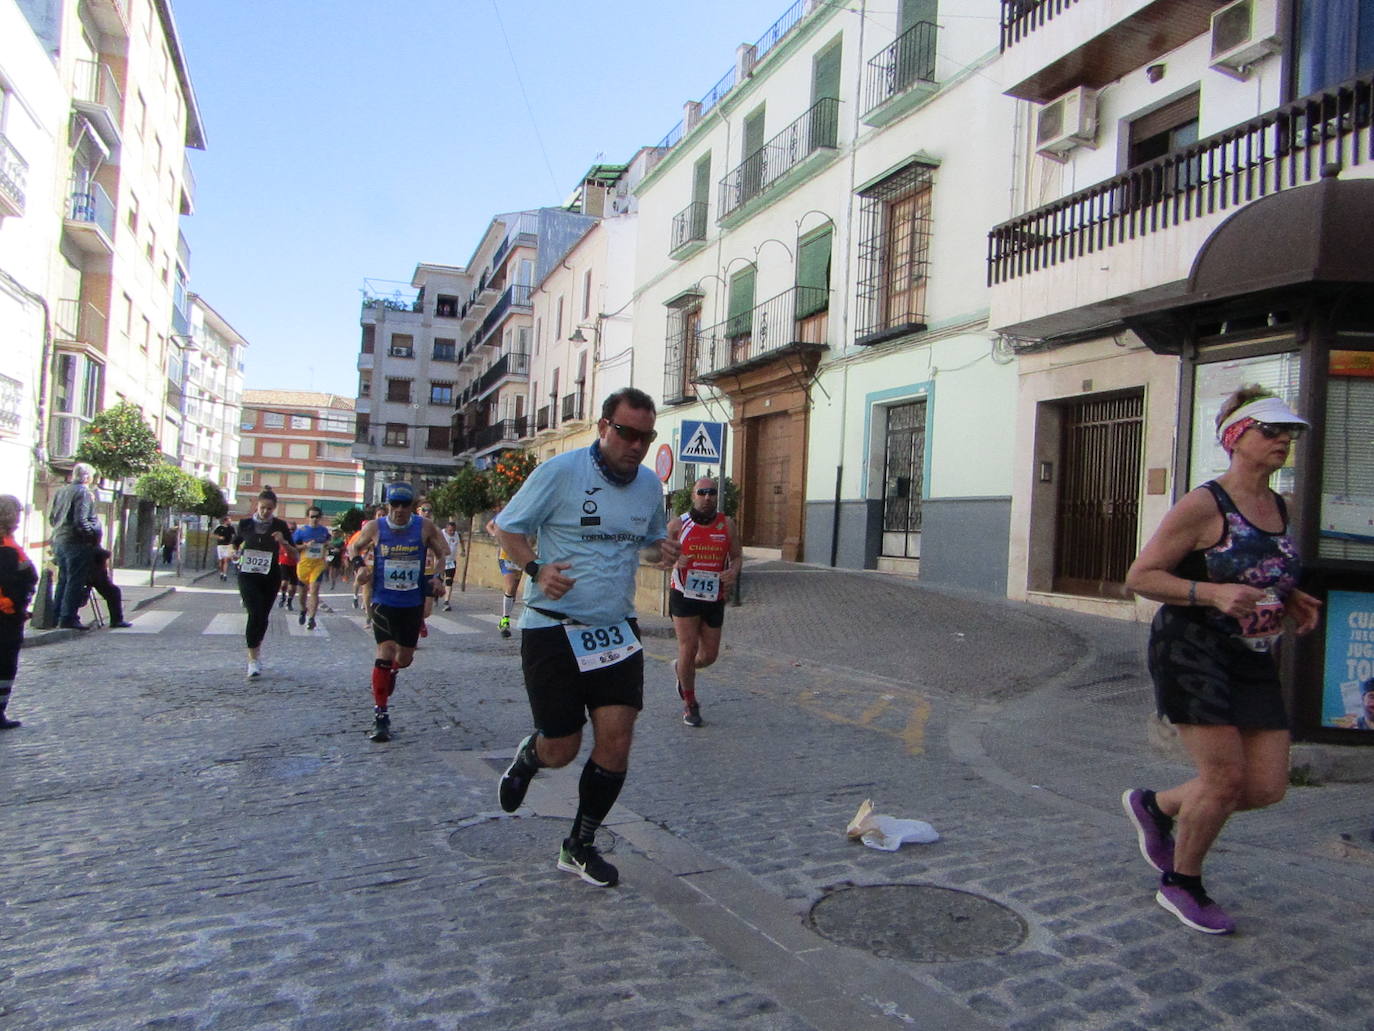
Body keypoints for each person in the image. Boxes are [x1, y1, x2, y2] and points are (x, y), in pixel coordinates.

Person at [1121, 386, 1323, 935]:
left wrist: (1291, 596)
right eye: (1271, 430)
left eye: (1289, 433)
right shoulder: (1205, 504)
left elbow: (1261, 571)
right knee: (1224, 776)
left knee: (1266, 787)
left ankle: (1158, 806)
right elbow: (1141, 577)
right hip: (1191, 651)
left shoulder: (1280, 505)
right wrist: (1212, 595)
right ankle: (1182, 884)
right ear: (1236, 438)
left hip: (1253, 655)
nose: (1284, 440)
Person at [493, 387, 679, 888]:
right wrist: (535, 568)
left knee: (616, 743)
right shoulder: (560, 472)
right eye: (626, 433)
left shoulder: (648, 489)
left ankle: (579, 845)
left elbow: (646, 545)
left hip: (615, 631)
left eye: (646, 436)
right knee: (563, 747)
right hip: (553, 626)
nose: (636, 445)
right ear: (603, 427)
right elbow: (505, 528)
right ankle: (531, 756)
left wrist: (661, 551)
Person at [347, 482, 449, 742]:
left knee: (404, 658)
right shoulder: (375, 527)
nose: (399, 510)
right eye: (395, 504)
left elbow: (442, 554)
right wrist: (359, 567)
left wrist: (437, 578)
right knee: (385, 650)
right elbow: (353, 547)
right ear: (388, 505)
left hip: (411, 601)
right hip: (383, 599)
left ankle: (392, 670)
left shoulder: (424, 527)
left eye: (405, 505)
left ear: (413, 507)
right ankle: (381, 716)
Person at [668, 476, 742, 727]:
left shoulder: (727, 524)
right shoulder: (678, 525)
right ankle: (690, 703)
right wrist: (675, 562)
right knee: (688, 647)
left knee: (709, 656)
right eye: (702, 493)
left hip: (714, 596)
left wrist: (733, 572)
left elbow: (737, 557)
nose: (707, 497)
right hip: (684, 594)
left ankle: (681, 669)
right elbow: (658, 560)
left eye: (711, 493)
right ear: (693, 496)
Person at [232, 489, 297, 678]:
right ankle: (252, 659)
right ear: (256, 506)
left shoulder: (280, 525)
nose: (265, 512)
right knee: (255, 613)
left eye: (269, 509)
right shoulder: (245, 524)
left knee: (263, 616)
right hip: (247, 575)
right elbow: (235, 544)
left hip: (270, 576)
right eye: (262, 508)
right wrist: (234, 552)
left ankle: (257, 652)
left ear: (274, 508)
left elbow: (294, 554)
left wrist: (283, 542)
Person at [47, 462, 101, 630]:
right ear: (87, 477)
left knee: (63, 578)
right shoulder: (84, 492)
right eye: (91, 476)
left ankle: (56, 615)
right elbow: (81, 520)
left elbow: (52, 518)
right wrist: (92, 536)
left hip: (59, 540)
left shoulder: (61, 491)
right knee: (74, 580)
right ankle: (68, 617)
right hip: (75, 542)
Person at [0, 494, 38, 729]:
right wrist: (18, 607)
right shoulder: (7, 548)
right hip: (5, 614)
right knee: (4, 665)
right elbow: (17, 579)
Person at [486, 502, 522, 638]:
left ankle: (505, 620)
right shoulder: (505, 515)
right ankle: (505, 619)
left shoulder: (526, 513)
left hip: (520, 556)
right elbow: (489, 525)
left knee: (514, 590)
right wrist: (496, 535)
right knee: (511, 586)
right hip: (506, 555)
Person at [293, 507, 331, 630]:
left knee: (314, 591)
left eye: (316, 517)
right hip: (304, 565)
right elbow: (293, 547)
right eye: (312, 516)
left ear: (320, 518)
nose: (314, 519)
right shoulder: (301, 531)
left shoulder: (324, 530)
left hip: (318, 565)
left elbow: (328, 541)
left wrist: (327, 545)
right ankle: (303, 609)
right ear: (307, 517)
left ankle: (311, 618)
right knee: (302, 593)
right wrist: (305, 546)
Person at [89, 536, 133, 629]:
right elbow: (104, 554)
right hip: (94, 576)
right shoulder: (89, 544)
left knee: (113, 591)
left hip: (92, 575)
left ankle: (117, 620)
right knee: (114, 592)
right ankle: (116, 620)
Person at [440, 518, 464, 611]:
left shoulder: (457, 535)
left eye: (453, 530)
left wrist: (463, 550)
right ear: (446, 528)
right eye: (450, 530)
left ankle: (446, 602)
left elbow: (462, 541)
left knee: (449, 581)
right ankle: (435, 596)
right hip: (441, 561)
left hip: (451, 561)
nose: (452, 532)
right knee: (439, 580)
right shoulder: (441, 534)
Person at [276, 523, 299, 611]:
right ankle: (283, 596)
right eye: (289, 529)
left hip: (295, 563)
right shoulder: (282, 537)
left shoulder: (298, 538)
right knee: (284, 583)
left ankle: (289, 602)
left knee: (293, 586)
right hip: (283, 562)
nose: (291, 531)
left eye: (293, 529)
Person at [212, 516, 235, 580]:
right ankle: (221, 572)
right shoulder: (219, 527)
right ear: (225, 521)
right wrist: (219, 537)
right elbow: (214, 534)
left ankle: (225, 574)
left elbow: (233, 535)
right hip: (220, 546)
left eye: (230, 521)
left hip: (228, 545)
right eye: (229, 520)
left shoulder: (231, 528)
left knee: (226, 560)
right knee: (221, 560)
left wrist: (232, 544)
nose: (230, 522)